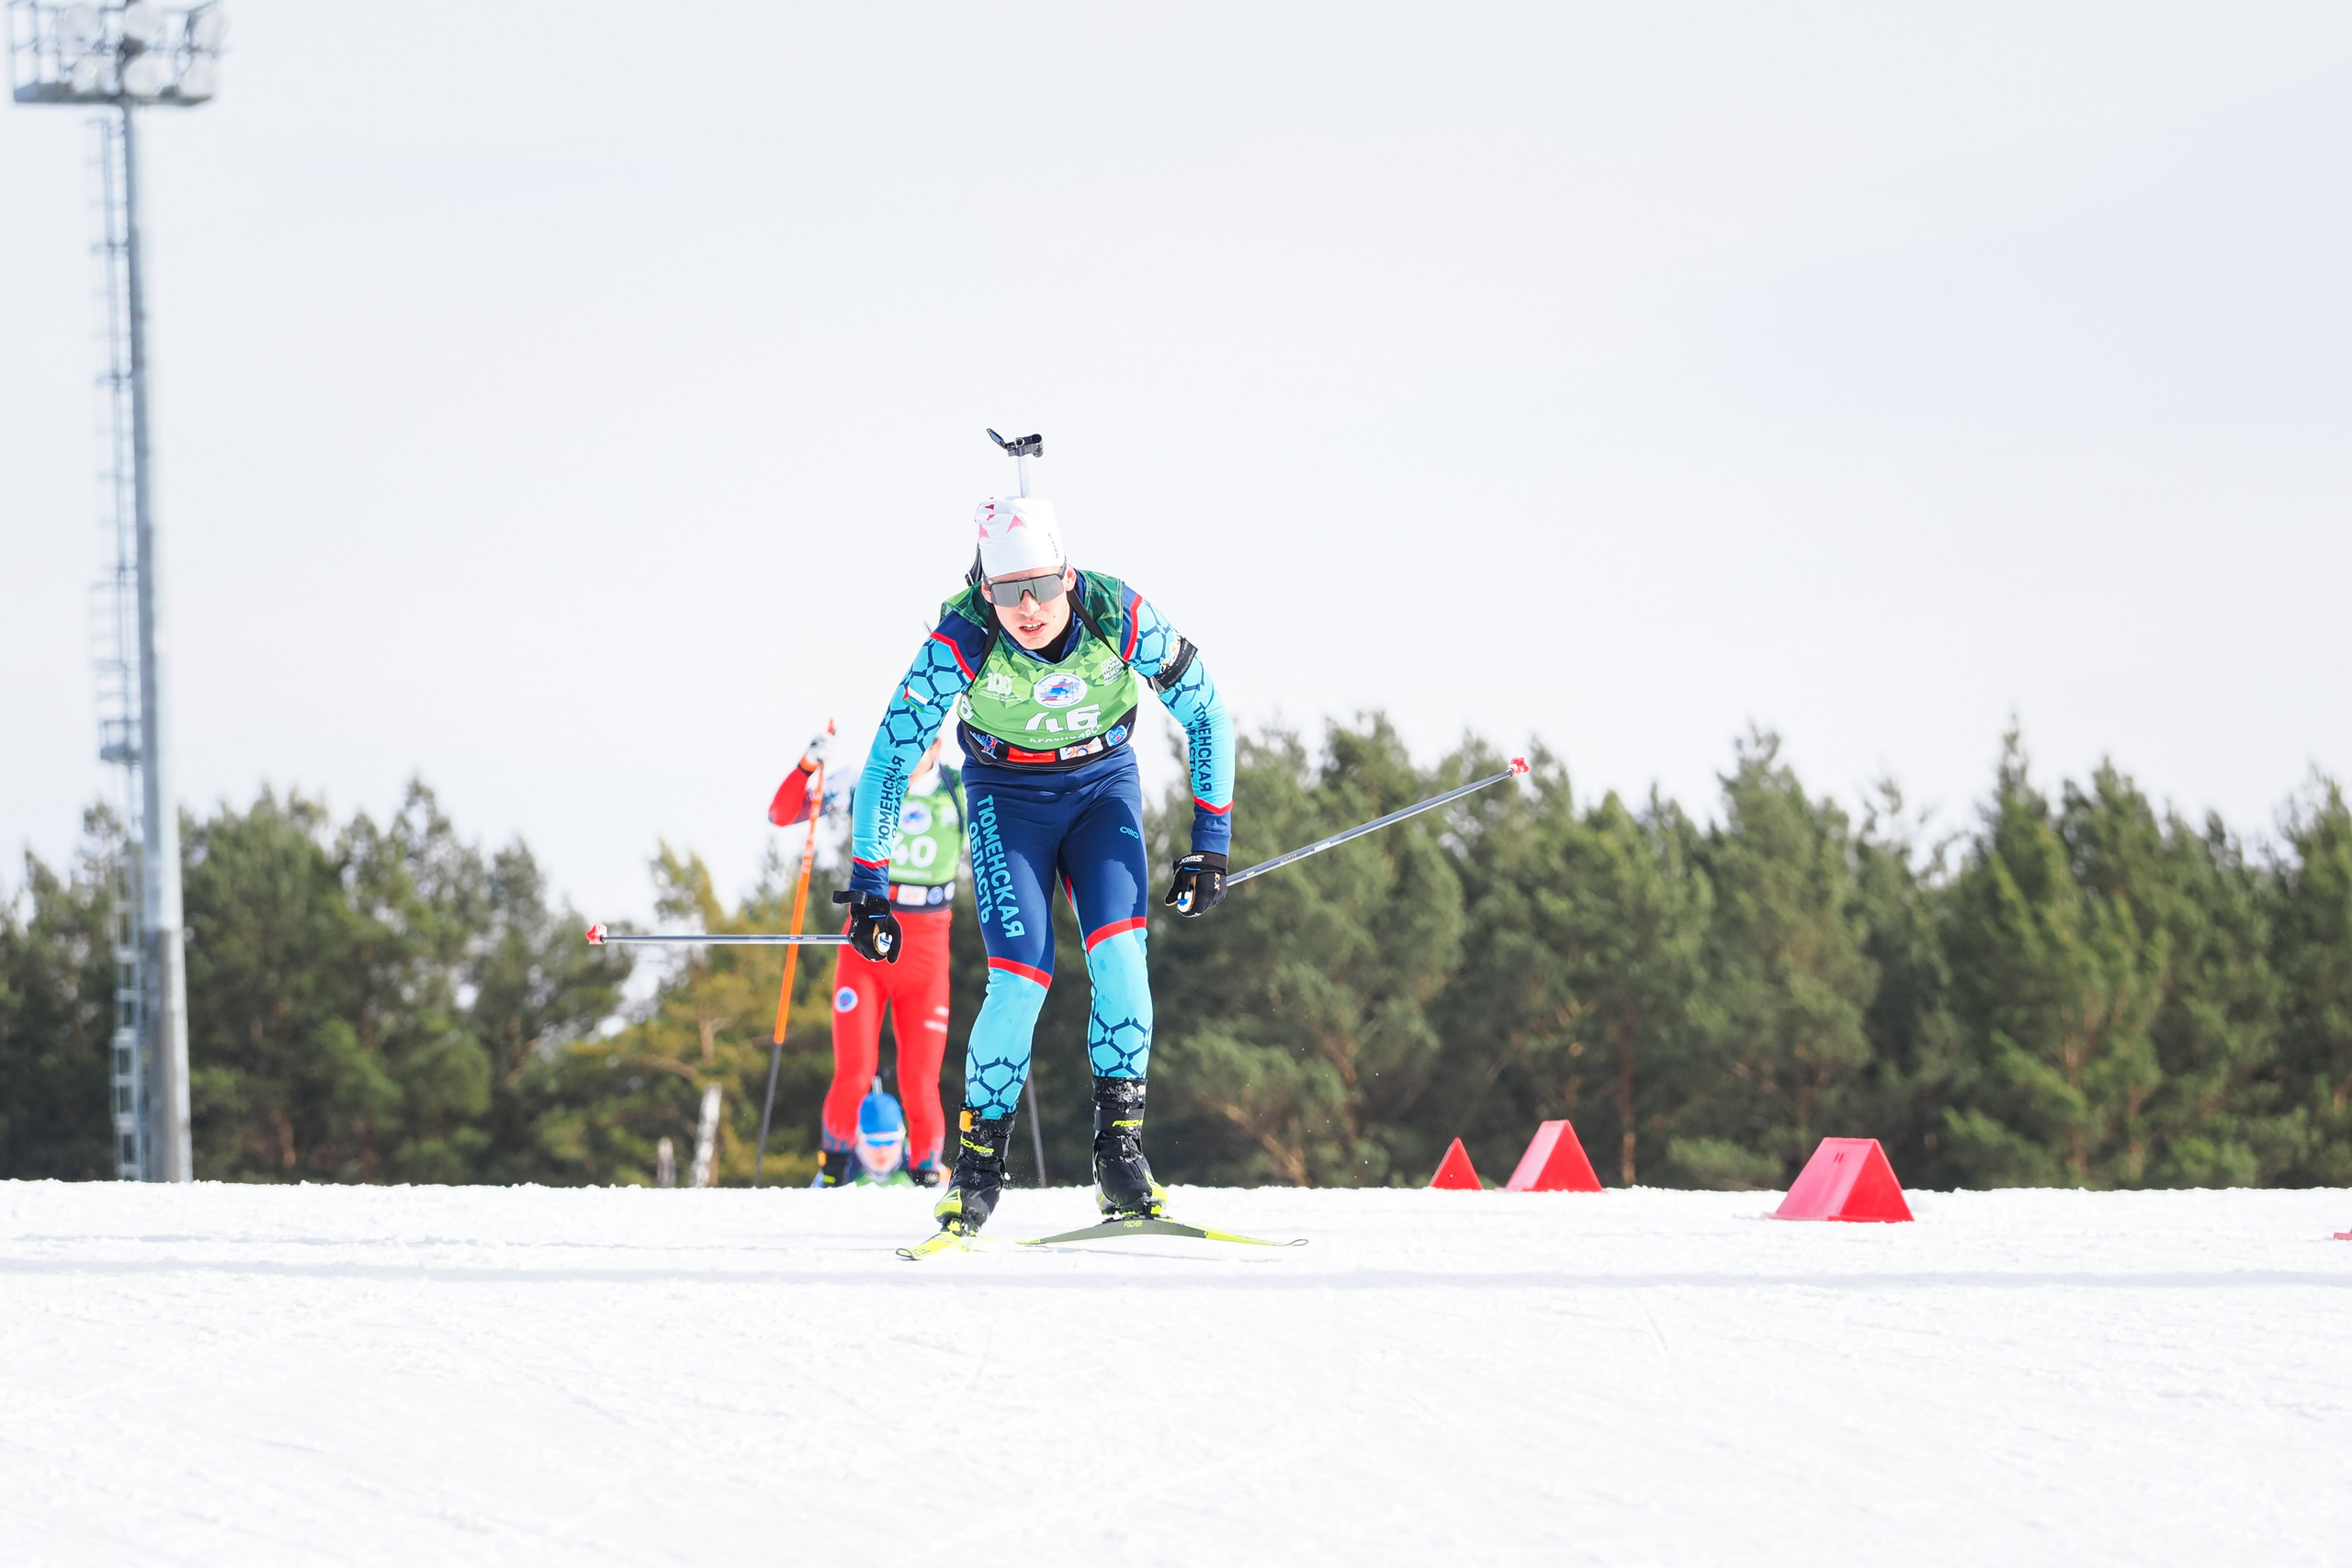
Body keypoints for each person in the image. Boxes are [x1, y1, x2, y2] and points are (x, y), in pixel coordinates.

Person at [838, 490, 1233, 1238]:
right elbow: (892, 754)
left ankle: (1120, 1155)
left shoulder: (1118, 614)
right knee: (1021, 975)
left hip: (1099, 787)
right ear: (985, 588)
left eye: (1043, 587)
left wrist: (1211, 842)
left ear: (1066, 572)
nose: (1028, 608)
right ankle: (977, 1170)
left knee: (1123, 960)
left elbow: (1207, 710)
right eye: (1009, 592)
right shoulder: (962, 636)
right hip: (1006, 798)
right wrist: (870, 885)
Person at [770, 728, 965, 1187]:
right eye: (901, 738)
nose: (907, 750)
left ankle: (925, 1177)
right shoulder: (866, 782)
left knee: (920, 1080)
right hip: (867, 943)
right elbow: (781, 814)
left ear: (937, 746)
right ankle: (834, 1172)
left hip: (927, 949)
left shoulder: (962, 788)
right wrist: (807, 767)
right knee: (854, 1071)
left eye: (920, 742)